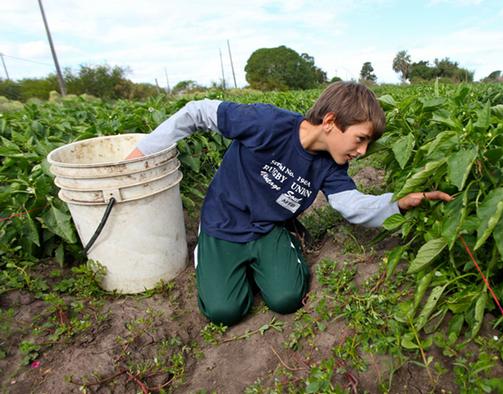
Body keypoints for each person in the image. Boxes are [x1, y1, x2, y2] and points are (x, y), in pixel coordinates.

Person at [126, 82, 452, 326]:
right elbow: (198, 112)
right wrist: (144, 152)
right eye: (360, 138)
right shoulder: (268, 124)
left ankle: (285, 241)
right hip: (223, 222)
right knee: (224, 311)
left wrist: (400, 203)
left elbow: (351, 204)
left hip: (269, 227)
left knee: (286, 298)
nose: (363, 152)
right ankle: (224, 261)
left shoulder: (331, 164)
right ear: (330, 121)